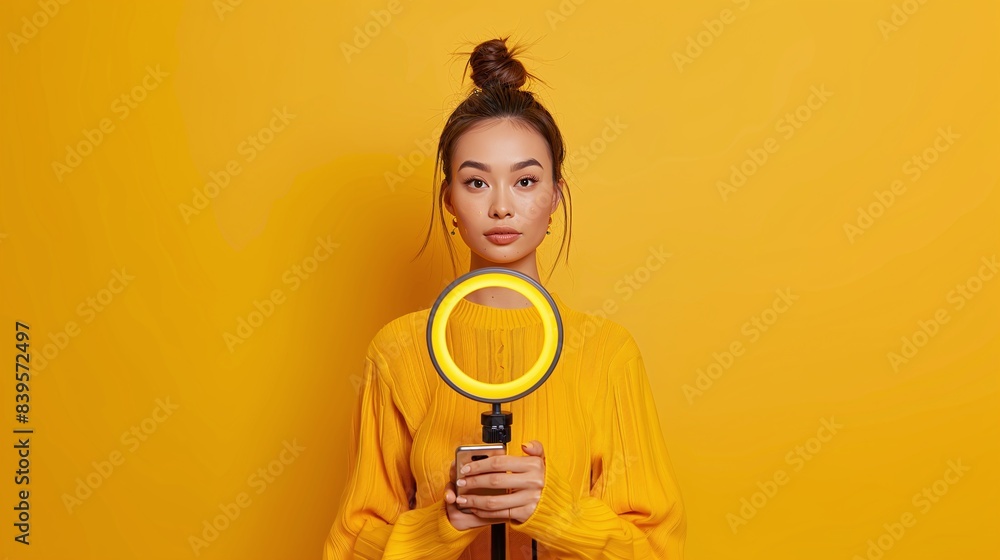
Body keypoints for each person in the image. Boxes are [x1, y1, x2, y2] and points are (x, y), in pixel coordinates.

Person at [323, 36, 686, 559]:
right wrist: (444, 522)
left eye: (525, 180)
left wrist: (556, 510)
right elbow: (350, 546)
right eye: (476, 183)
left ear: (556, 194)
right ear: (449, 199)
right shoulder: (399, 350)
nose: (500, 207)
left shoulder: (606, 352)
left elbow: (658, 549)